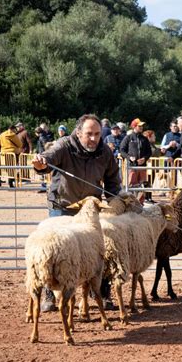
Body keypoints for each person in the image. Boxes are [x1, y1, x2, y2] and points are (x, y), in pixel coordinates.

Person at [32, 113, 122, 311]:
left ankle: (101, 293)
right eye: (89, 134)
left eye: (97, 134)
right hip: (62, 207)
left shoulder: (104, 152)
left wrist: (116, 203)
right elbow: (47, 160)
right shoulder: (64, 145)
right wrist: (40, 163)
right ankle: (49, 294)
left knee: (99, 251)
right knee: (55, 251)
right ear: (79, 132)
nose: (93, 138)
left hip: (89, 211)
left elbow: (113, 182)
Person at [119, 118, 152, 202]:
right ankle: (130, 203)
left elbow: (149, 152)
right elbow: (122, 150)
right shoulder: (128, 138)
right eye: (139, 126)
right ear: (134, 126)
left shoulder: (144, 139)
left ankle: (140, 203)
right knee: (132, 185)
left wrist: (144, 158)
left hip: (142, 167)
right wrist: (129, 157)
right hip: (132, 166)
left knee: (142, 186)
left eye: (142, 126)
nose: (141, 127)